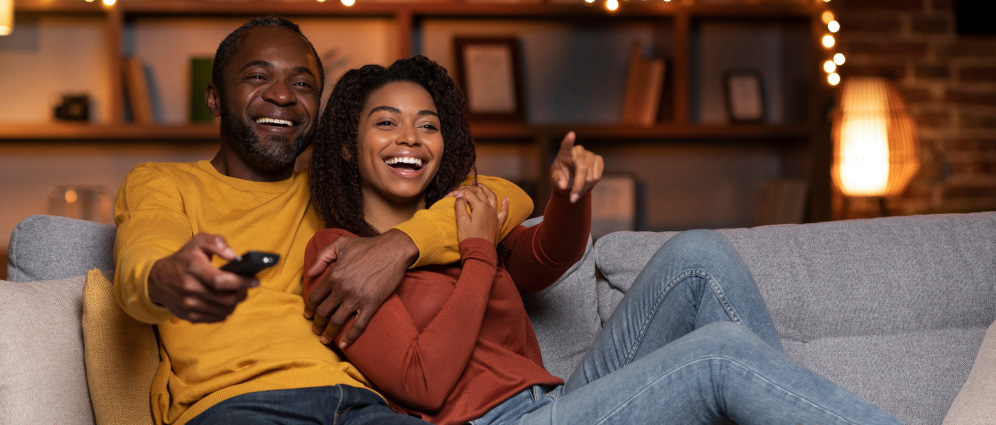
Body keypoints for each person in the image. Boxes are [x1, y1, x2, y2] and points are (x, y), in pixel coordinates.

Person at [303, 55, 903, 425]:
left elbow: (549, 258)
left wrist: (568, 196)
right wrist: (479, 254)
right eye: (386, 122)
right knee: (717, 354)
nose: (410, 138)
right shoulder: (338, 253)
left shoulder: (457, 216)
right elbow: (423, 384)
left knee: (697, 255)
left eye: (427, 125)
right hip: (498, 424)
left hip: (560, 401)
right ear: (349, 146)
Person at [112, 17, 532, 425]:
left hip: (362, 405)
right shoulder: (164, 183)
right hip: (236, 402)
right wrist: (167, 278)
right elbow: (142, 262)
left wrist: (400, 244)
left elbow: (503, 195)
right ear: (214, 98)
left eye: (303, 85)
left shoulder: (334, 190)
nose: (282, 96)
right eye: (257, 77)